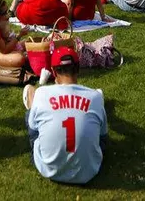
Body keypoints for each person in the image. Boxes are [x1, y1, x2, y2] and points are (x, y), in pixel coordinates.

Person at [22, 46, 108, 185]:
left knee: (31, 114)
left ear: (54, 72)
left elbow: (33, 129)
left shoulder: (42, 93)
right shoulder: (95, 96)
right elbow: (103, 136)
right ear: (78, 69)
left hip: (50, 169)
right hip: (89, 170)